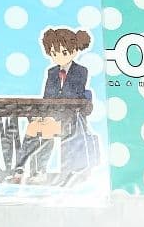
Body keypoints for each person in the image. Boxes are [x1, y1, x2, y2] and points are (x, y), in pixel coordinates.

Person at [10, 28, 91, 185]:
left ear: (74, 51)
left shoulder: (81, 71)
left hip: (69, 118)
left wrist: (52, 114)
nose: (58, 57)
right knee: (33, 127)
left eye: (63, 52)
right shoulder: (51, 72)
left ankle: (38, 171)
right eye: (54, 53)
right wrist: (41, 115)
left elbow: (73, 96)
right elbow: (47, 97)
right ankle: (20, 169)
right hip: (50, 116)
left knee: (46, 130)